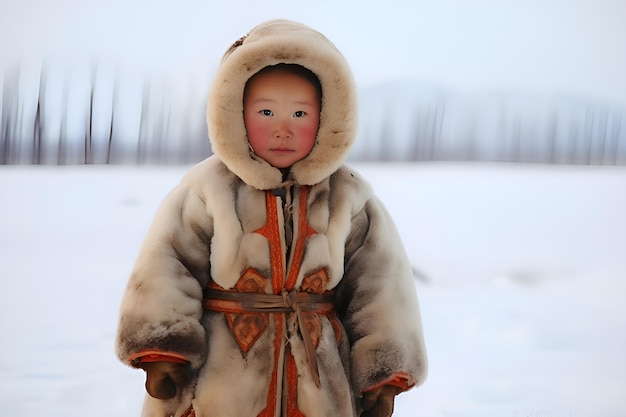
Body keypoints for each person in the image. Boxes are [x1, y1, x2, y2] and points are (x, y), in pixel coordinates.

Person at [115, 18, 427, 417]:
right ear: (235, 113)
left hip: (320, 381)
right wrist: (163, 350)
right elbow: (165, 265)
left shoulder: (349, 198)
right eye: (266, 111)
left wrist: (385, 372)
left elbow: (381, 286)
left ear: (329, 117)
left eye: (300, 114)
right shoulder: (208, 190)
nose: (283, 129)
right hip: (219, 379)